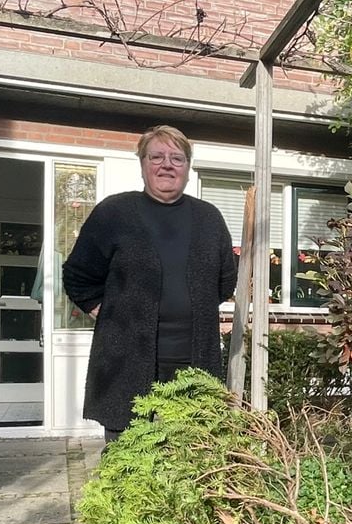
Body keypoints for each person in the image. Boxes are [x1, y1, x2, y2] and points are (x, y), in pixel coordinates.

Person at [63, 125, 238, 441]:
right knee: (127, 454)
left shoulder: (209, 219)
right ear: (142, 164)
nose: (167, 164)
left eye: (177, 158)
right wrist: (107, 312)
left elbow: (226, 279)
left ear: (187, 167)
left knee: (189, 452)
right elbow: (77, 274)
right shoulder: (114, 213)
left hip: (192, 361)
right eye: (156, 156)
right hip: (126, 358)